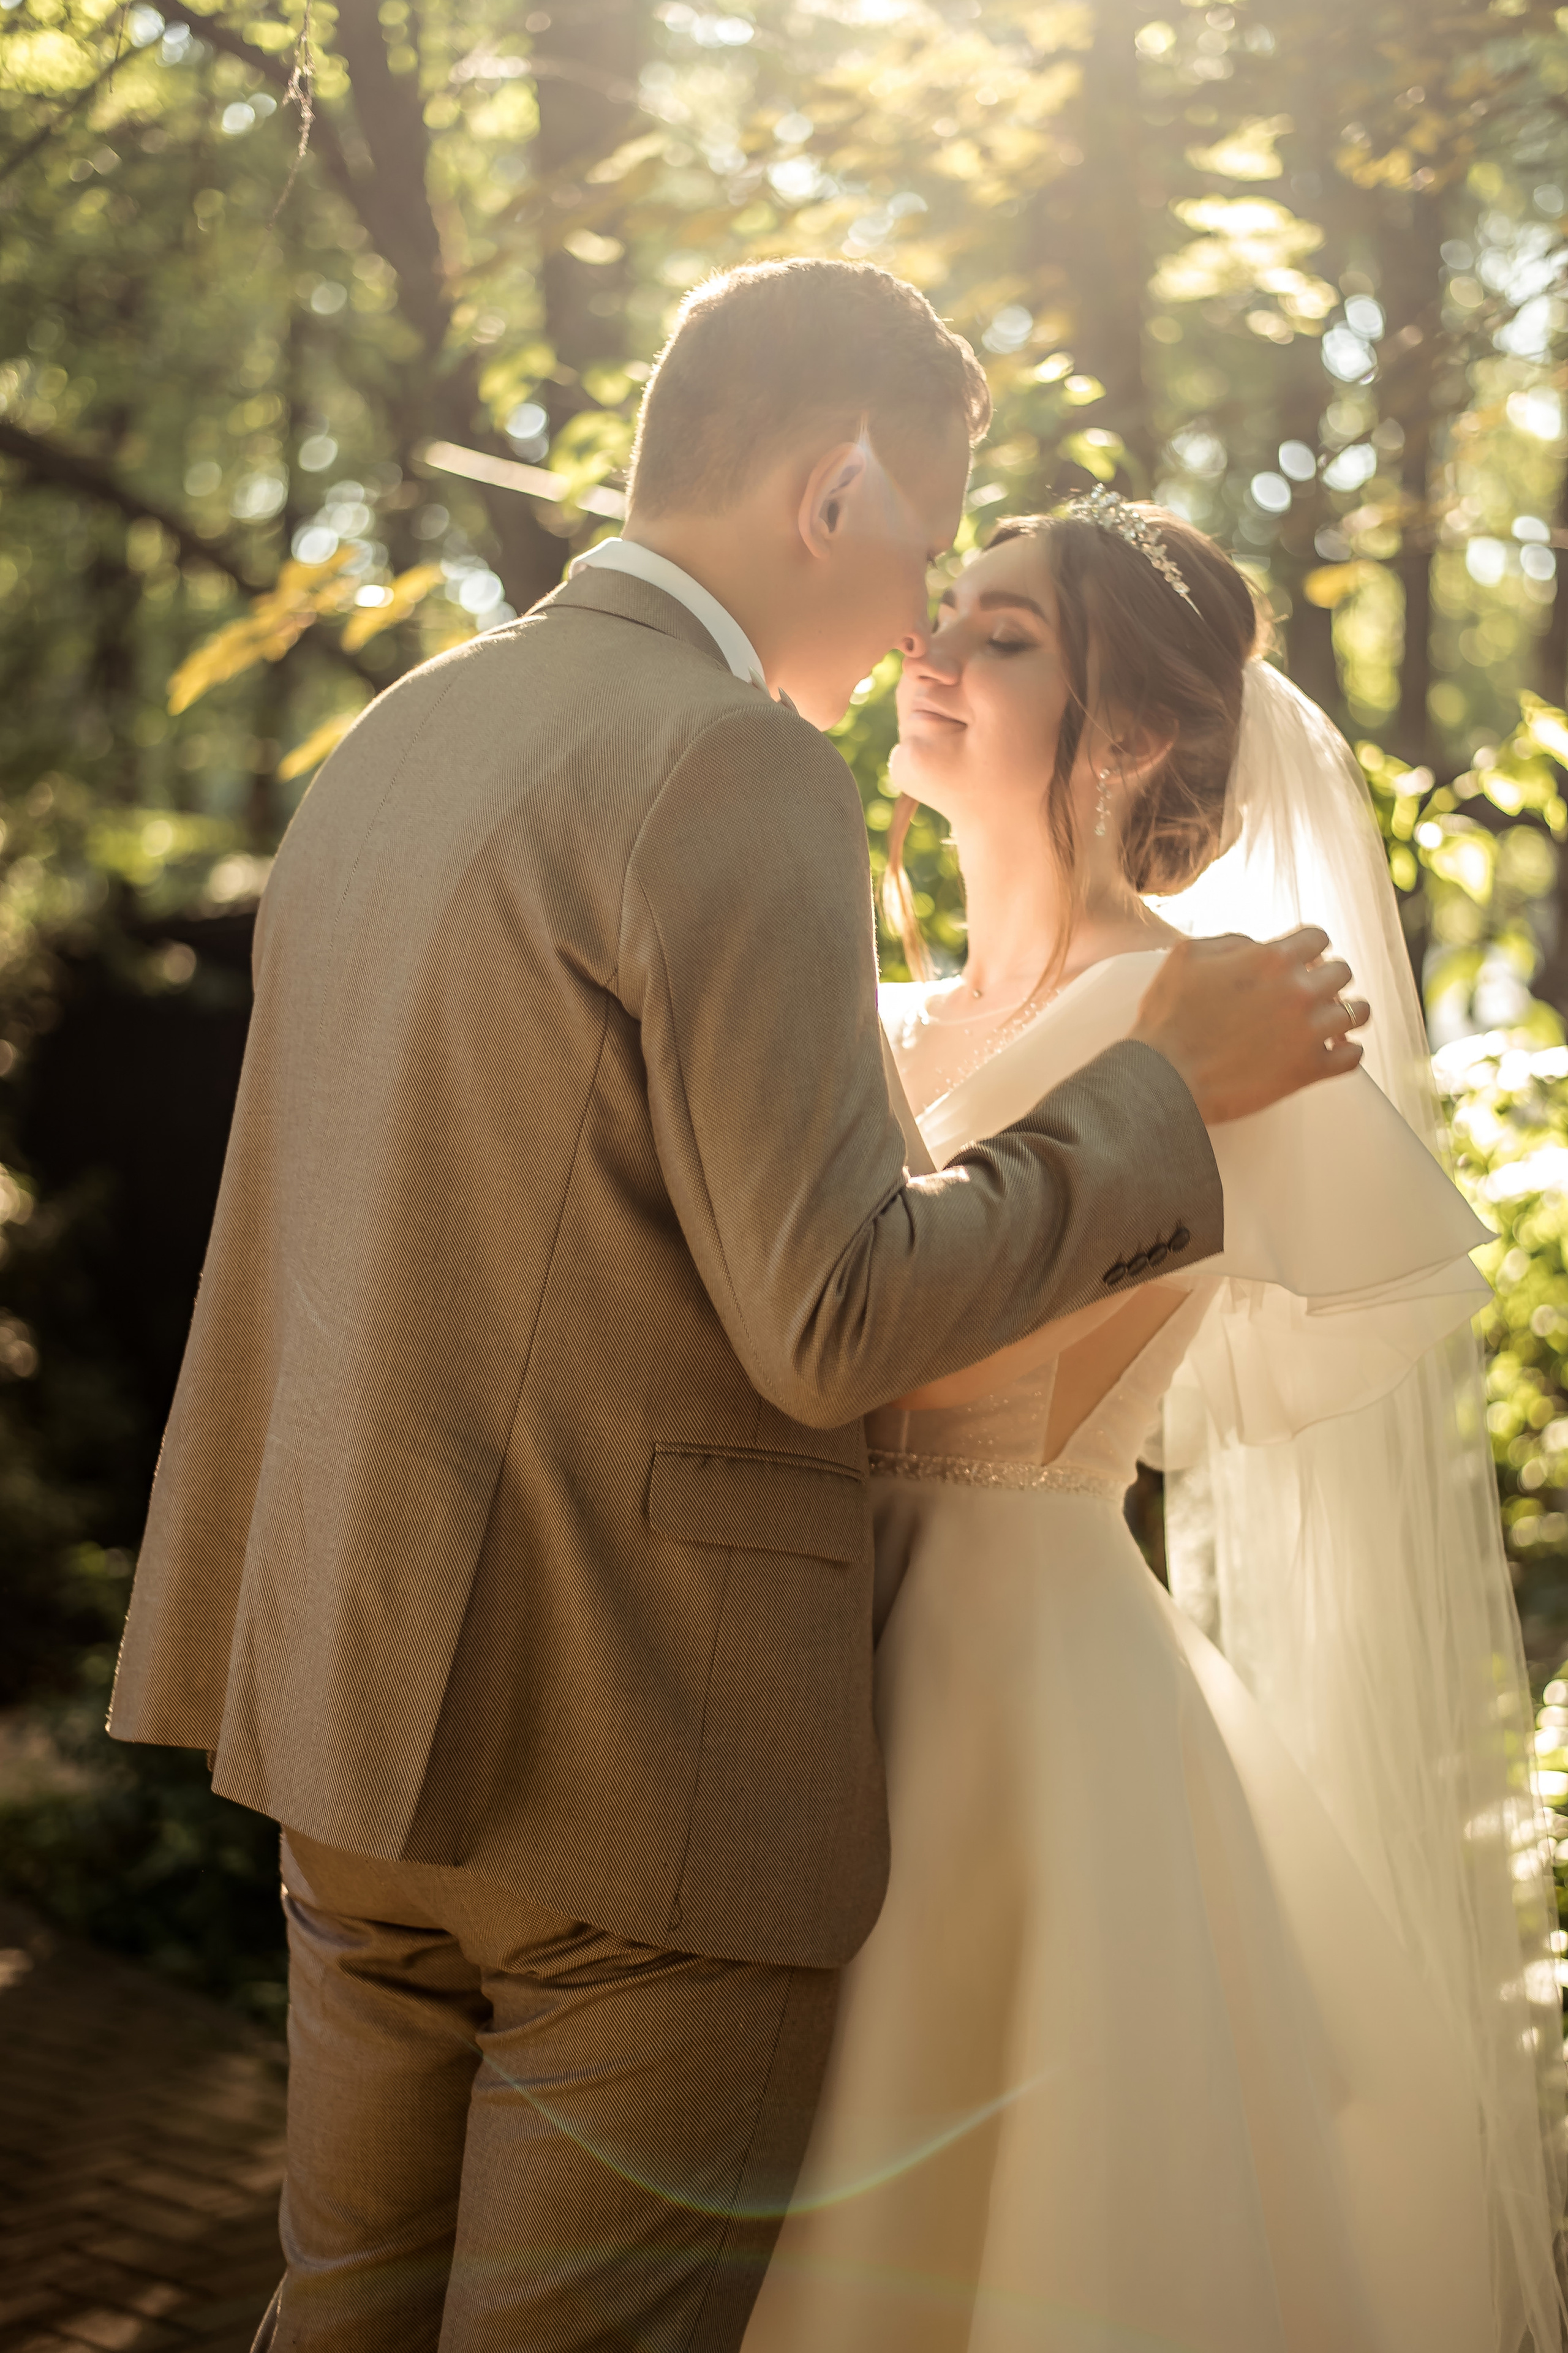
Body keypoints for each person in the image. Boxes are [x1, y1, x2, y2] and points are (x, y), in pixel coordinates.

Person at [106, 263, 1362, 2353]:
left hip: (348, 1720)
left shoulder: (405, 739)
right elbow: (833, 1309)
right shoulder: (727, 768)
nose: (918, 621)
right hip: (634, 1765)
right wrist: (1151, 1107)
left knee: (339, 2312)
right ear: (835, 487)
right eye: (930, 542)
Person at [739, 497, 1568, 2353]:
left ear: (1127, 739)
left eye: (1005, 634)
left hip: (1014, 1684)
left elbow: (970, 1367)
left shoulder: (1212, 1017)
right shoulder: (867, 1013)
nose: (929, 656)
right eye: (944, 615)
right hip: (790, 1650)